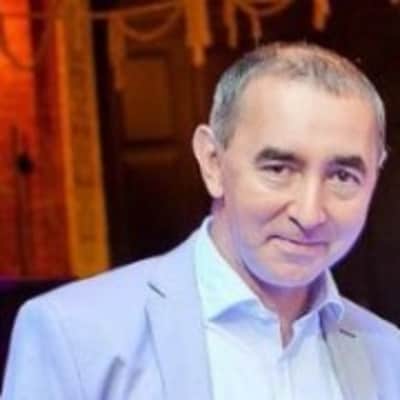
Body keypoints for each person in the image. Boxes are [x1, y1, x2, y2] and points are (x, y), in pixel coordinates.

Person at [2, 42, 400, 400]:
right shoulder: (75, 335)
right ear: (212, 162)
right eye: (278, 169)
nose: (310, 213)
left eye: (342, 176)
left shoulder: (388, 353)